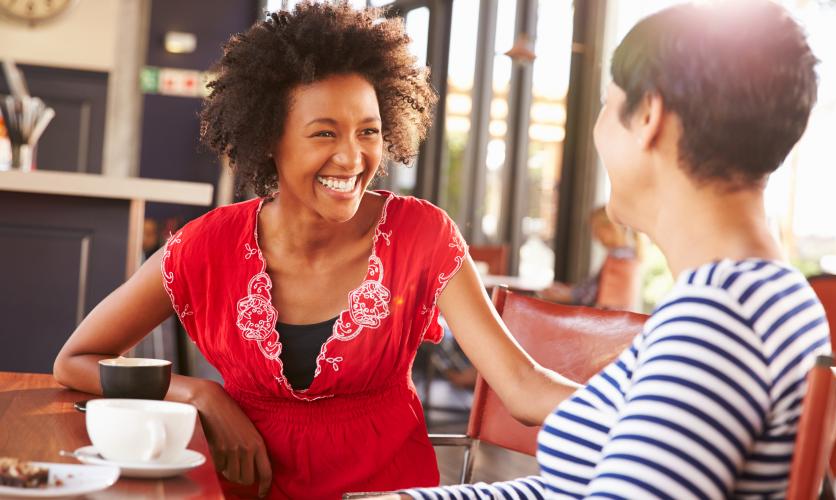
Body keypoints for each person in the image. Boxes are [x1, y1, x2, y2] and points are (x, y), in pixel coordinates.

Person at [52, 3, 578, 499]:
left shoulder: (424, 234)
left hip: (388, 493)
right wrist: (202, 395)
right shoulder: (205, 245)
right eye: (324, 132)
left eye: (368, 131)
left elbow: (523, 386)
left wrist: (642, 405)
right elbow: (75, 360)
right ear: (269, 141)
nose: (351, 157)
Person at [391, 1, 830, 498]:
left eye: (606, 101)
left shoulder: (716, 319)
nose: (599, 128)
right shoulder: (763, 295)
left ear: (648, 114)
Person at [539, 205, 641, 311]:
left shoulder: (619, 258)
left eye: (597, 230)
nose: (595, 236)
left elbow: (593, 291)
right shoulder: (626, 254)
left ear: (610, 228)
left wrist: (567, 295)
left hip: (609, 318)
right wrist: (570, 290)